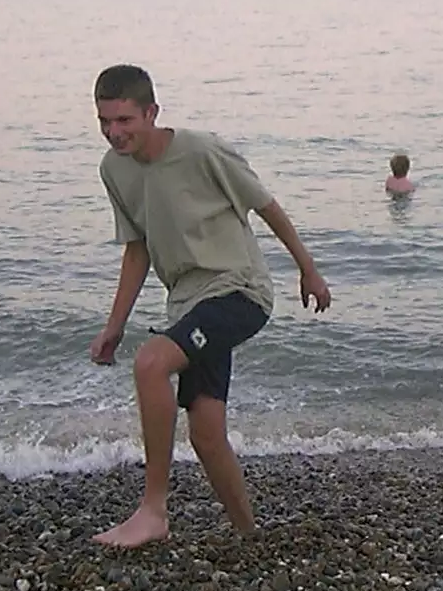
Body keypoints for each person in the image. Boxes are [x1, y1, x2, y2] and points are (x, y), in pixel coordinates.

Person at [88, 64, 331, 548]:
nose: (115, 133)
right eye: (105, 122)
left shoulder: (202, 150)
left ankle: (153, 510)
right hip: (187, 304)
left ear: (151, 112)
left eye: (125, 121)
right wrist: (114, 325)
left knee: (151, 363)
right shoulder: (113, 170)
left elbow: (265, 205)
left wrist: (309, 269)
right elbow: (137, 248)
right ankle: (249, 535)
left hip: (239, 290)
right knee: (205, 429)